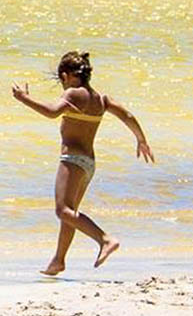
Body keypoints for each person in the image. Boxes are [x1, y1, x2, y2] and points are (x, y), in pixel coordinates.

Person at [11, 51, 154, 275]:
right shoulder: (100, 99)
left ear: (66, 75)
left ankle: (104, 239)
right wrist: (141, 139)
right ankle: (58, 261)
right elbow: (126, 115)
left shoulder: (72, 93)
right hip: (89, 162)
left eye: (61, 80)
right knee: (71, 213)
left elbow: (51, 112)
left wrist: (24, 98)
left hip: (72, 160)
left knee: (62, 210)